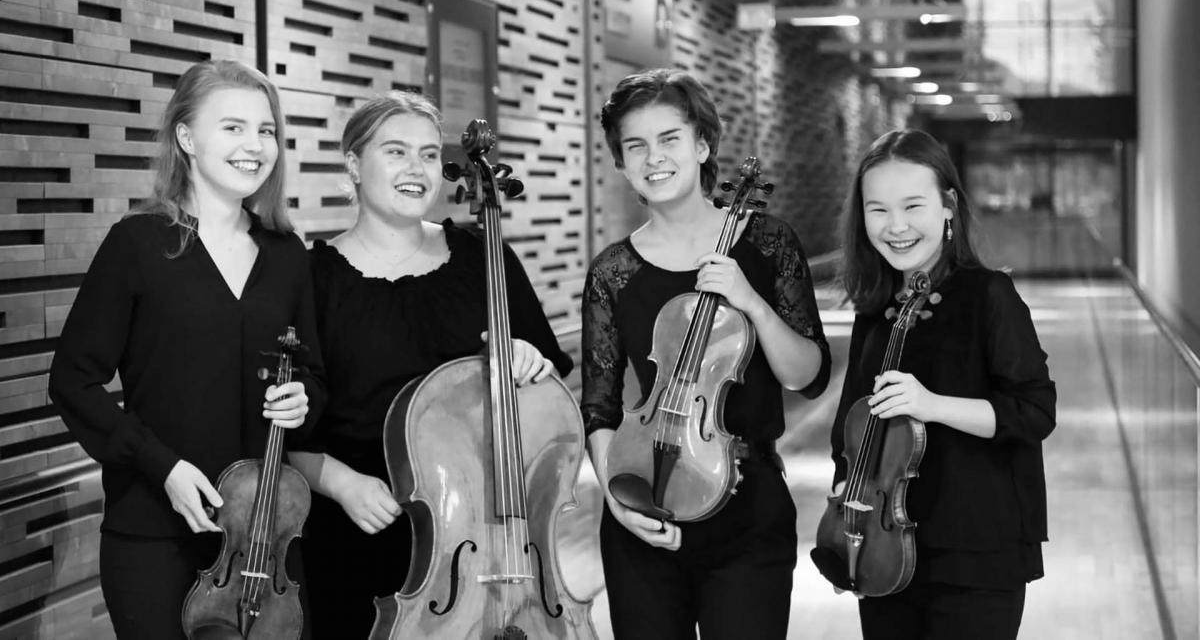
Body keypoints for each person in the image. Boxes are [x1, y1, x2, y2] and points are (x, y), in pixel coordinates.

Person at [47, 59, 324, 639]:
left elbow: (314, 379)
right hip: (153, 534)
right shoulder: (139, 243)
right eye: (233, 127)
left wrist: (304, 400)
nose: (255, 145)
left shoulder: (287, 253)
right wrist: (163, 467)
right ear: (186, 137)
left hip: (264, 542)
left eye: (266, 130)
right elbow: (73, 381)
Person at [289, 91, 573, 639]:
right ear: (353, 164)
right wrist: (340, 482)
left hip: (481, 539)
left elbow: (548, 411)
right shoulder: (308, 278)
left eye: (425, 154)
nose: (416, 169)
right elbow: (276, 425)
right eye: (395, 152)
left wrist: (530, 364)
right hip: (357, 531)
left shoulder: (484, 258)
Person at [581, 68, 831, 639]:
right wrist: (620, 502)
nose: (654, 158)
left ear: (702, 145)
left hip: (748, 508)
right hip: (645, 497)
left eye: (669, 139)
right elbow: (599, 406)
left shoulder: (768, 244)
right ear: (621, 164)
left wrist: (751, 302)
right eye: (634, 146)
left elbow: (809, 378)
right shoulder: (613, 272)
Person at [827, 128, 1056, 639]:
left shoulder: (989, 295)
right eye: (878, 210)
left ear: (948, 205)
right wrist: (849, 505)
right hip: (885, 550)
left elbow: (1036, 411)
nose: (896, 226)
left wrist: (930, 404)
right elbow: (850, 426)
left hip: (976, 548)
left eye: (913, 206)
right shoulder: (876, 306)